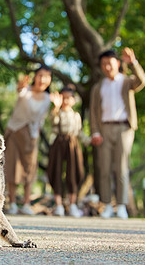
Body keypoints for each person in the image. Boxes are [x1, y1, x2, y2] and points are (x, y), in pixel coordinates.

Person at [90, 47, 145, 219]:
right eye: (103, 64)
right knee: (104, 167)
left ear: (117, 63)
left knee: (121, 166)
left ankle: (121, 205)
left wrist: (133, 63)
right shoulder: (98, 87)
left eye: (110, 63)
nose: (107, 67)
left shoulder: (126, 81)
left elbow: (142, 80)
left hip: (124, 128)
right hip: (104, 129)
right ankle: (107, 204)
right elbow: (93, 111)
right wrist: (95, 132)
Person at [4, 65, 52, 215]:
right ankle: (12, 203)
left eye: (46, 76)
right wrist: (20, 86)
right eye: (40, 75)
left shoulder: (48, 99)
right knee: (12, 167)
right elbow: (20, 91)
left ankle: (26, 204)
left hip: (32, 136)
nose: (42, 79)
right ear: (34, 77)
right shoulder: (25, 92)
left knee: (29, 169)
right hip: (15, 131)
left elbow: (42, 119)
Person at [48, 85, 89, 217]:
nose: (65, 101)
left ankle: (72, 204)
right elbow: (53, 123)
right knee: (57, 171)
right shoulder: (56, 113)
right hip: (59, 143)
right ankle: (59, 204)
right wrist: (56, 107)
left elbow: (79, 131)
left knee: (73, 171)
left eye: (68, 98)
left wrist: (88, 140)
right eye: (63, 98)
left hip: (72, 143)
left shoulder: (76, 115)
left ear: (73, 100)